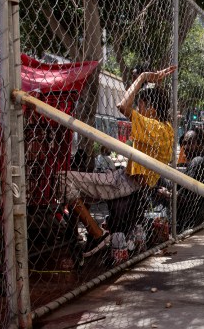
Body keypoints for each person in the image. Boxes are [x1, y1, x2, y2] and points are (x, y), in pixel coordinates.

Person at [63, 65, 176, 256]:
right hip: (137, 183)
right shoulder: (168, 129)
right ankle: (77, 234)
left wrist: (143, 77)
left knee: (64, 178)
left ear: (153, 110)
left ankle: (96, 233)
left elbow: (122, 106)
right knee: (87, 189)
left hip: (127, 182)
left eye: (141, 105)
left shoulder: (153, 126)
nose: (138, 110)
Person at [156, 129, 204, 233]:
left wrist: (166, 194)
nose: (184, 147)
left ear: (199, 144)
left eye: (188, 143)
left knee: (156, 186)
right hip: (198, 216)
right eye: (183, 143)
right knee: (160, 178)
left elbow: (184, 199)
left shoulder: (197, 161)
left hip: (188, 219)